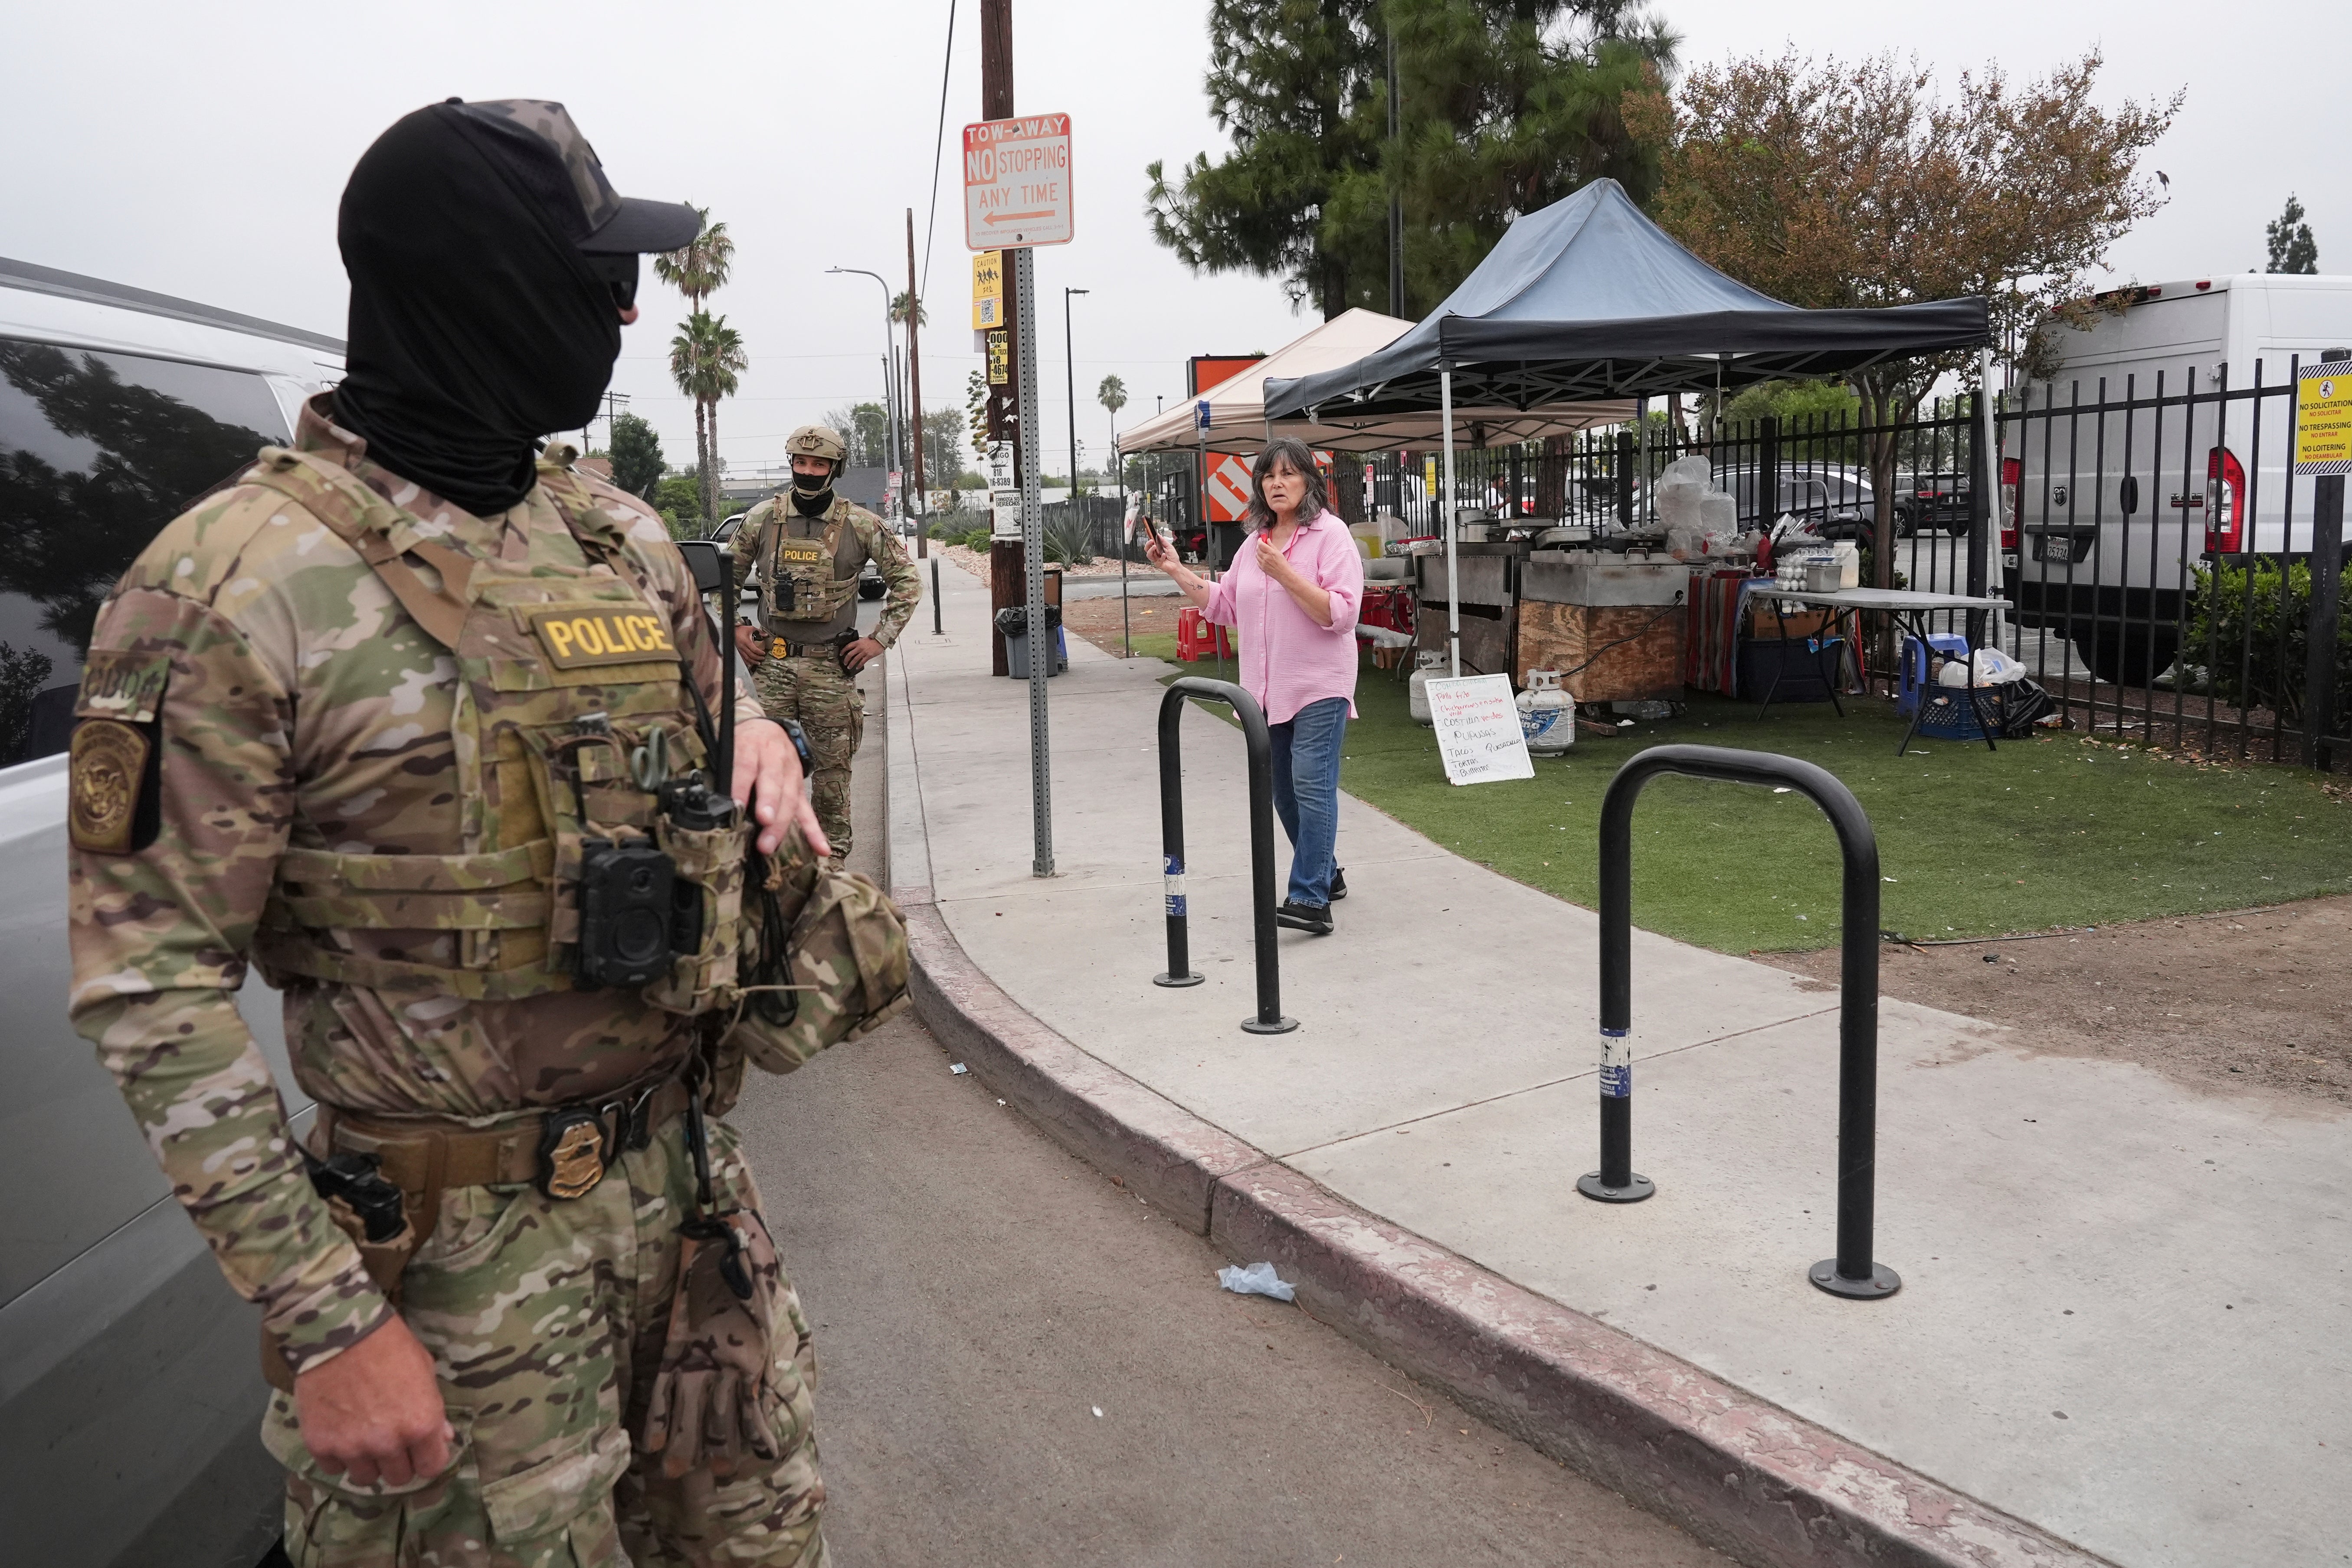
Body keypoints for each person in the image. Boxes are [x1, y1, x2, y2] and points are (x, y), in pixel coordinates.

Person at [67, 99, 835, 1565]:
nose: (621, 308)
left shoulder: (613, 535)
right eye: (592, 276)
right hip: (444, 1273)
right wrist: (325, 1317)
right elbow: (150, 988)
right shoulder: (233, 583)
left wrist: (755, 730)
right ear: (482, 288)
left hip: (684, 1220)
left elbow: (717, 715)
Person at [1144, 437, 1362, 934]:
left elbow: (1341, 614)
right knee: (1281, 793)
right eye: (1268, 476)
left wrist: (1286, 574)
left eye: (1288, 474)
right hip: (1264, 690)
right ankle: (1325, 874)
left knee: (1311, 784)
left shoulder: (1331, 536)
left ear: (1309, 480)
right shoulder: (1256, 542)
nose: (1277, 483)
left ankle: (1309, 900)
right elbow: (1224, 606)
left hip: (1319, 686)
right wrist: (1177, 569)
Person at [729, 427, 919, 864]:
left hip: (830, 671)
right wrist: (737, 627)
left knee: (833, 777)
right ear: (791, 463)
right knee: (763, 775)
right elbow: (726, 579)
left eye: (819, 464)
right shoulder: (761, 520)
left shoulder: (861, 524)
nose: (809, 471)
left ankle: (830, 868)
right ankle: (769, 865)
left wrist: (878, 640)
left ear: (835, 469)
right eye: (801, 462)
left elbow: (907, 582)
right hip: (772, 667)